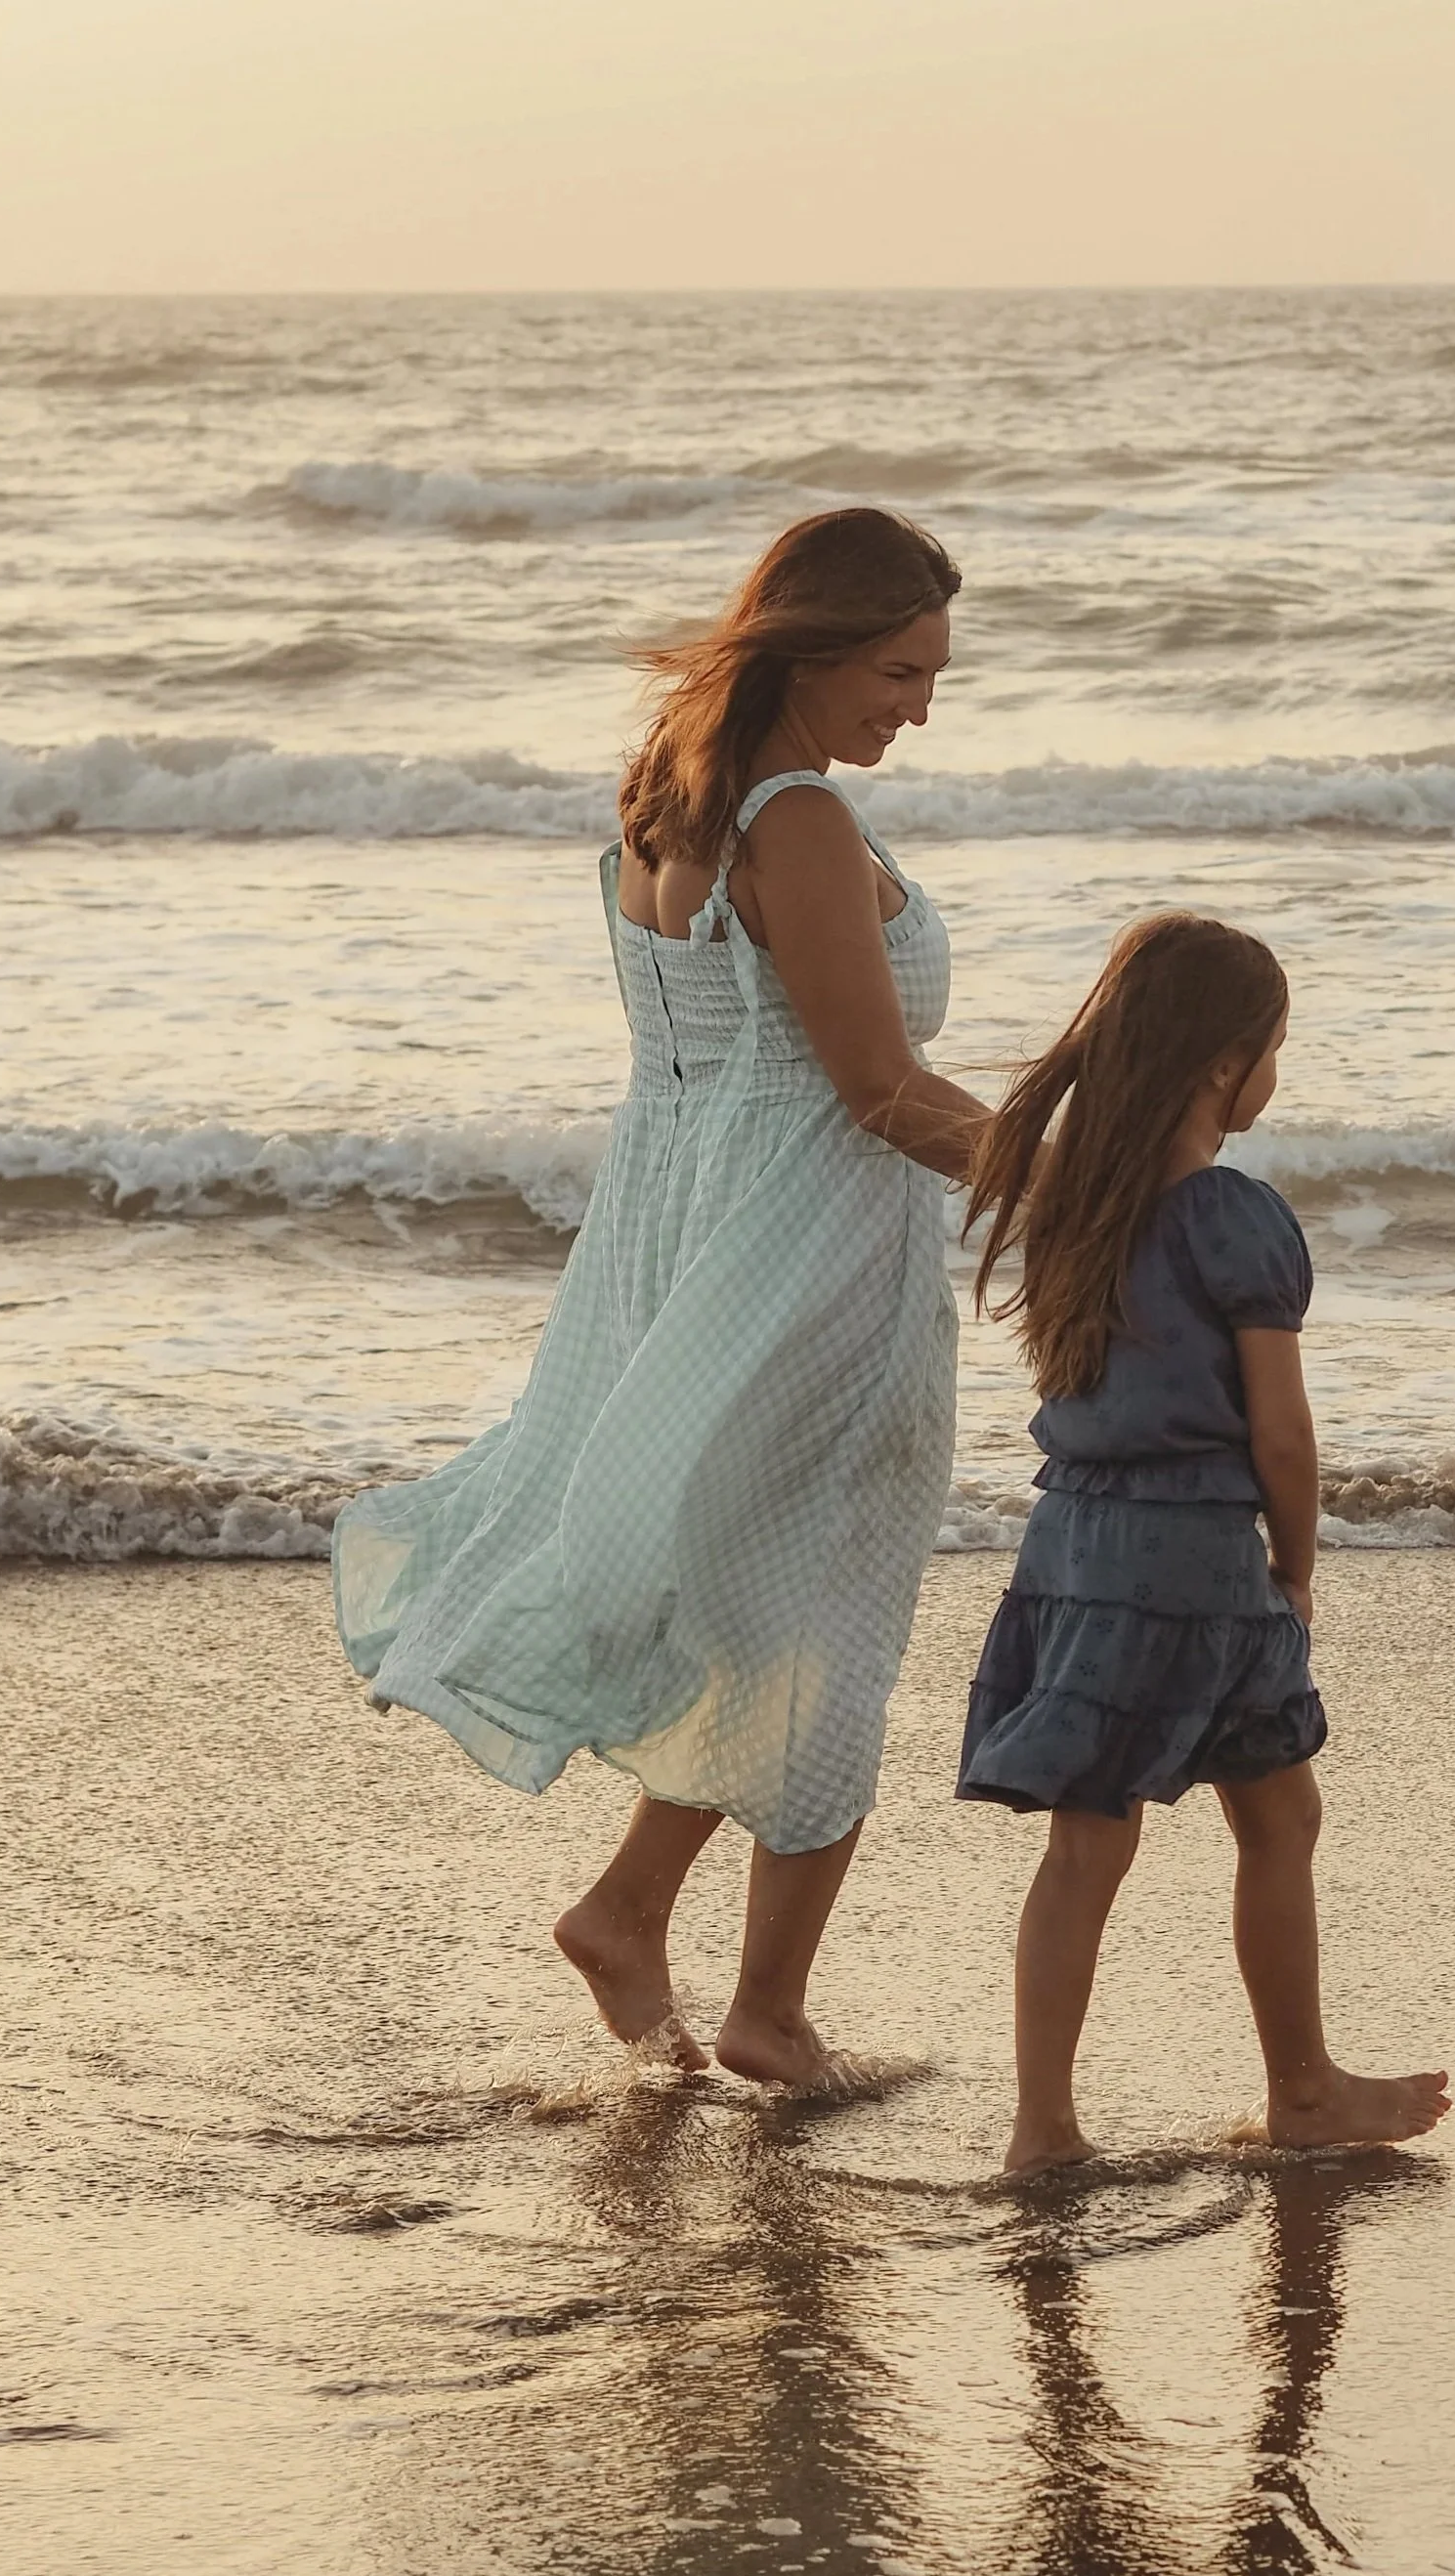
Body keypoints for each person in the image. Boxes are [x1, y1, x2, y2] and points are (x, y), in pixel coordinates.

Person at [333, 508, 988, 2090]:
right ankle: (767, 2009)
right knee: (827, 1629)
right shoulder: (802, 825)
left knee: (756, 1610)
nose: (919, 704)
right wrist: (1084, 1178)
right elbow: (880, 1091)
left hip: (697, 1251)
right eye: (901, 671)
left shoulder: (661, 804)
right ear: (815, 648)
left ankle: (633, 1911)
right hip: (814, 1273)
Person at [956, 913, 1452, 2173]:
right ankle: (1270, 2093)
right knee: (1264, 1824)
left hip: (1069, 1540)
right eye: (1275, 1049)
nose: (1274, 1076)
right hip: (1195, 1556)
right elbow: (1282, 1437)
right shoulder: (1232, 1216)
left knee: (1133, 1827)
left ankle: (1067, 2119)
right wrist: (1293, 1565)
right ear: (1223, 1064)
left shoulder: (1078, 1197)